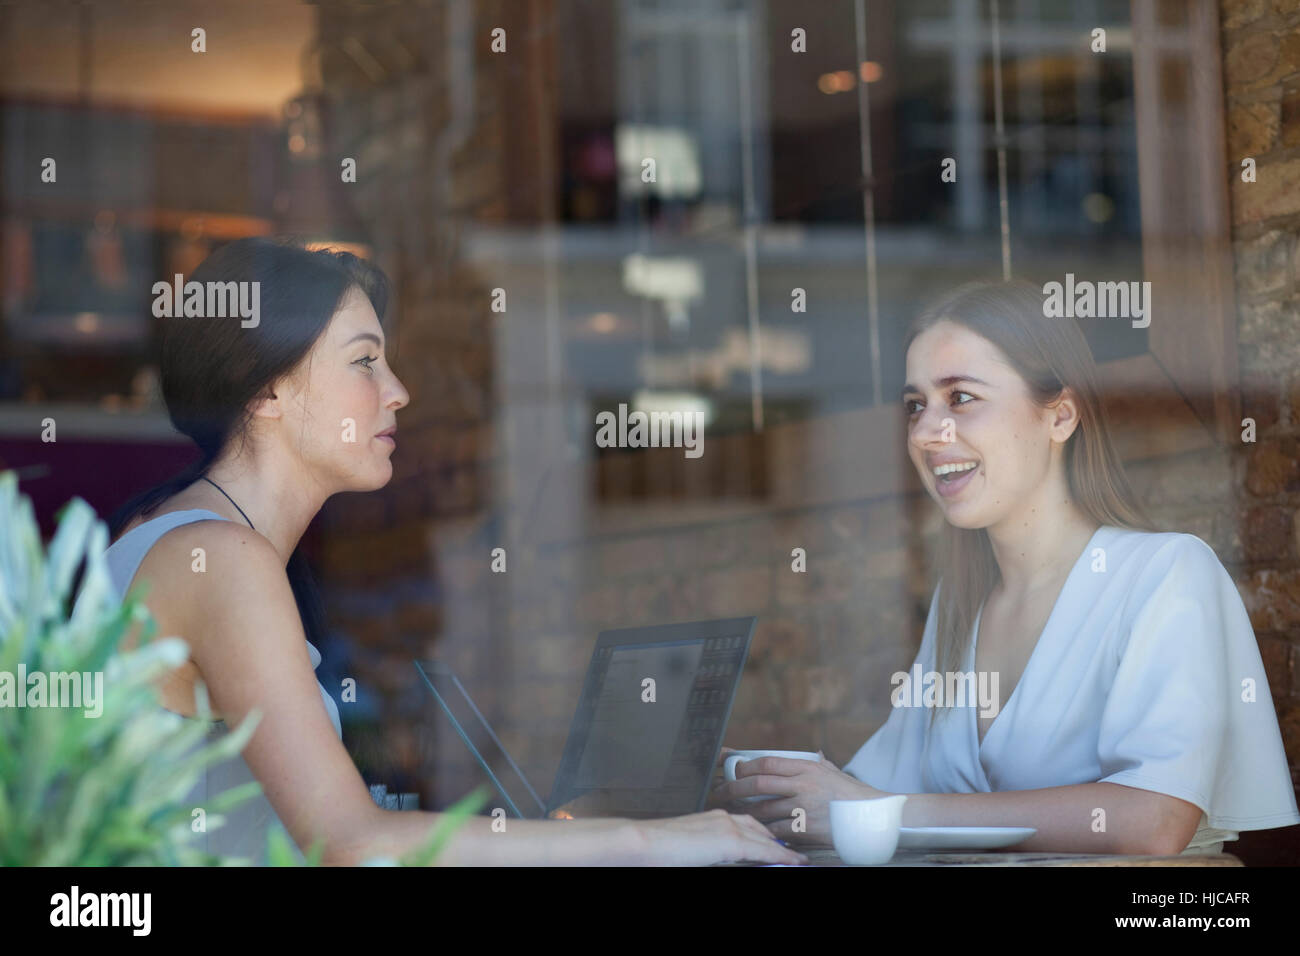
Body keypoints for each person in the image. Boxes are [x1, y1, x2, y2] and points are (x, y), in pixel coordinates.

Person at [106, 237, 805, 866]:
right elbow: (348, 842)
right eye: (363, 363)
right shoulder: (221, 559)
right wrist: (648, 840)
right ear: (267, 391)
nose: (399, 392)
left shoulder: (182, 535)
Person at [711, 279, 1299, 856]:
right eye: (916, 405)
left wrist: (879, 813)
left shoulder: (1164, 573)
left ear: (1061, 416)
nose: (924, 432)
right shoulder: (961, 605)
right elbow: (873, 789)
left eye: (961, 397)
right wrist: (761, 787)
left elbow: (1155, 820)